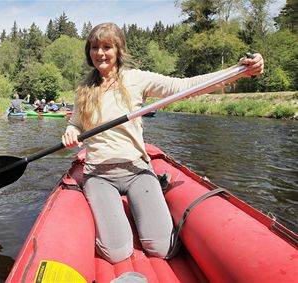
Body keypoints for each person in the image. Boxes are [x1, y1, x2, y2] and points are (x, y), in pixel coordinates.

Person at [61, 23, 264, 264]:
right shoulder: (84, 89)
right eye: (95, 47)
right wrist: (70, 132)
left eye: (107, 47)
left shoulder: (136, 79)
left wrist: (238, 71)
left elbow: (184, 87)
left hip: (136, 170)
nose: (100, 53)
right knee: (116, 252)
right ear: (89, 51)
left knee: (162, 247)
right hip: (98, 174)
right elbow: (74, 124)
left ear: (119, 50)